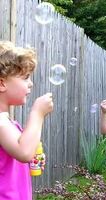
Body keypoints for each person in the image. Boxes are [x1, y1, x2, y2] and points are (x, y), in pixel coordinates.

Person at [0, 41, 53, 199]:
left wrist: (31, 159)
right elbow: (24, 151)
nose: (31, 84)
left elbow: (22, 154)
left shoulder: (8, 123)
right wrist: (37, 113)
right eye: (25, 78)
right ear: (2, 83)